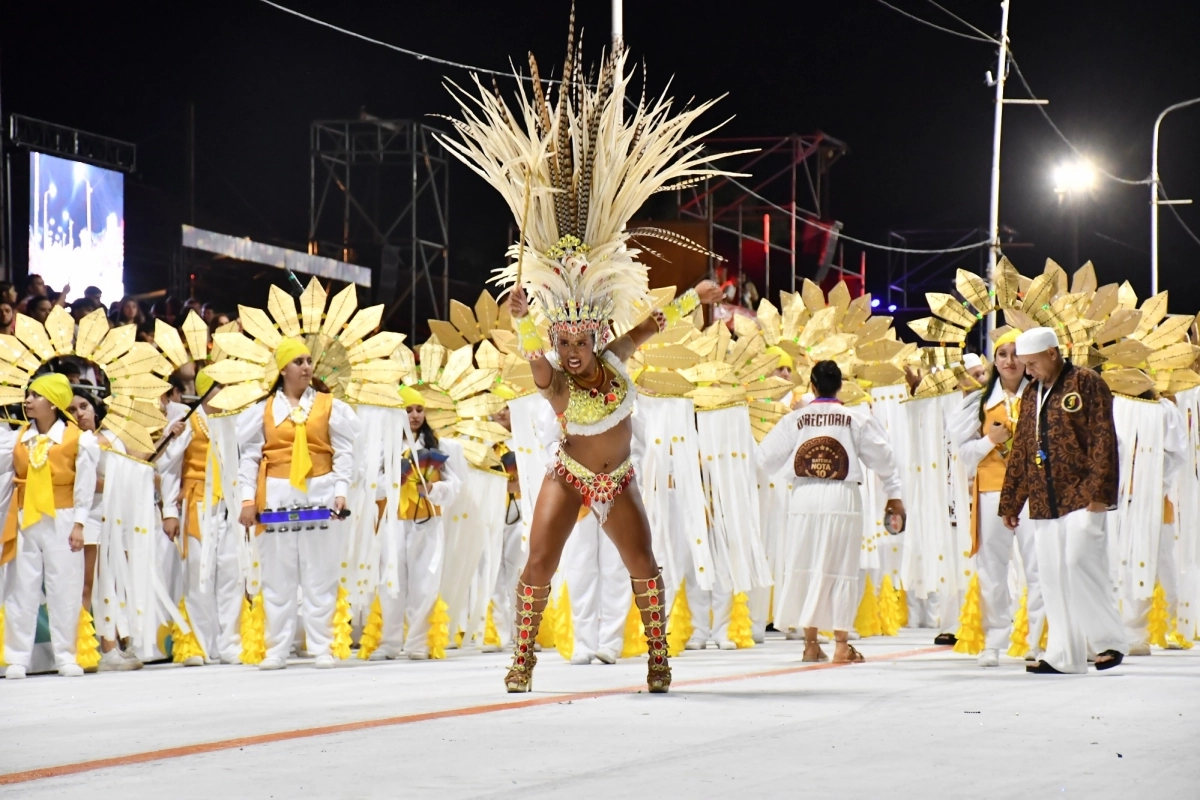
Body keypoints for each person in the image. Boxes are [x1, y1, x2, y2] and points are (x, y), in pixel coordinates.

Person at [756, 360, 905, 663]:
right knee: (841, 568)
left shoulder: (795, 419)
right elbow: (885, 459)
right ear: (841, 386)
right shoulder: (856, 419)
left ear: (812, 386)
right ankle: (840, 644)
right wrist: (894, 494)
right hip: (842, 497)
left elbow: (764, 459)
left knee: (806, 564)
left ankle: (810, 644)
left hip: (804, 496)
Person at [1000, 327, 1125, 674]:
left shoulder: (1086, 383)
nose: (1027, 370)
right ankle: (1064, 655)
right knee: (1052, 576)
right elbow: (1023, 448)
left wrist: (1100, 494)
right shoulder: (1030, 393)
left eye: (1033, 363)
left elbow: (1103, 439)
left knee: (1079, 562)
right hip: (1043, 498)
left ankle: (1109, 641)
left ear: (1053, 353)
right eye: (1024, 364)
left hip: (1084, 495)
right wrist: (1012, 501)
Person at [236, 338, 359, 670]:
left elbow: (344, 452)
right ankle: (277, 648)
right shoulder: (262, 411)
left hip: (320, 491)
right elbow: (249, 458)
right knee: (278, 575)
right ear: (283, 369)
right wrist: (247, 499)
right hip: (276, 493)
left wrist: (341, 491)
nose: (306, 367)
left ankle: (321, 646)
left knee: (321, 574)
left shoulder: (329, 405)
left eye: (308, 361)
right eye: (298, 362)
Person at [952, 329, 1043, 667]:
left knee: (1036, 568)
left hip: (1033, 496)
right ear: (994, 360)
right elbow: (962, 455)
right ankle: (994, 640)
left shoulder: (1040, 396)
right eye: (1002, 354)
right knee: (992, 569)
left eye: (1015, 353)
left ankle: (1036, 641)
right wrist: (989, 440)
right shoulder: (978, 403)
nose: (1009, 361)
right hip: (992, 491)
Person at [1, 374, 100, 679]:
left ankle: (66, 654)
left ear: (54, 403)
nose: (28, 400)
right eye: (28, 395)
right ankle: (17, 657)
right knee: (21, 586)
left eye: (36, 395)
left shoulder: (79, 439)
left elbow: (84, 485)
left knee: (65, 586)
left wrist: (80, 524)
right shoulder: (17, 439)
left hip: (64, 515)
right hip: (24, 516)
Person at [370, 385, 460, 660]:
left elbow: (455, 484)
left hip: (428, 520)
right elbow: (370, 485)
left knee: (425, 581)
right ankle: (388, 642)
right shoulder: (385, 446)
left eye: (419, 409)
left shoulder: (439, 446)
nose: (414, 415)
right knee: (391, 582)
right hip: (394, 521)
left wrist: (433, 490)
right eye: (408, 410)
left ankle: (418, 642)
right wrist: (396, 481)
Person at [160, 369, 242, 666]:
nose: (227, 392)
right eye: (221, 386)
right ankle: (197, 644)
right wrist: (169, 511)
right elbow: (170, 468)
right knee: (197, 574)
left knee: (232, 574)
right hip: (196, 504)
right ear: (207, 391)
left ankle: (230, 643)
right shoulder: (186, 424)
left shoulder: (237, 421)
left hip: (230, 506)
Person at [67, 389, 142, 672]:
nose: (80, 413)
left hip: (118, 515)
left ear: (95, 407)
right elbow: (82, 482)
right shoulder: (74, 442)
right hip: (90, 515)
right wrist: (113, 482)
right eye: (72, 411)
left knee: (116, 582)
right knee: (90, 584)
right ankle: (92, 648)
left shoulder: (114, 437)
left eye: (84, 406)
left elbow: (140, 461)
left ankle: (120, 642)